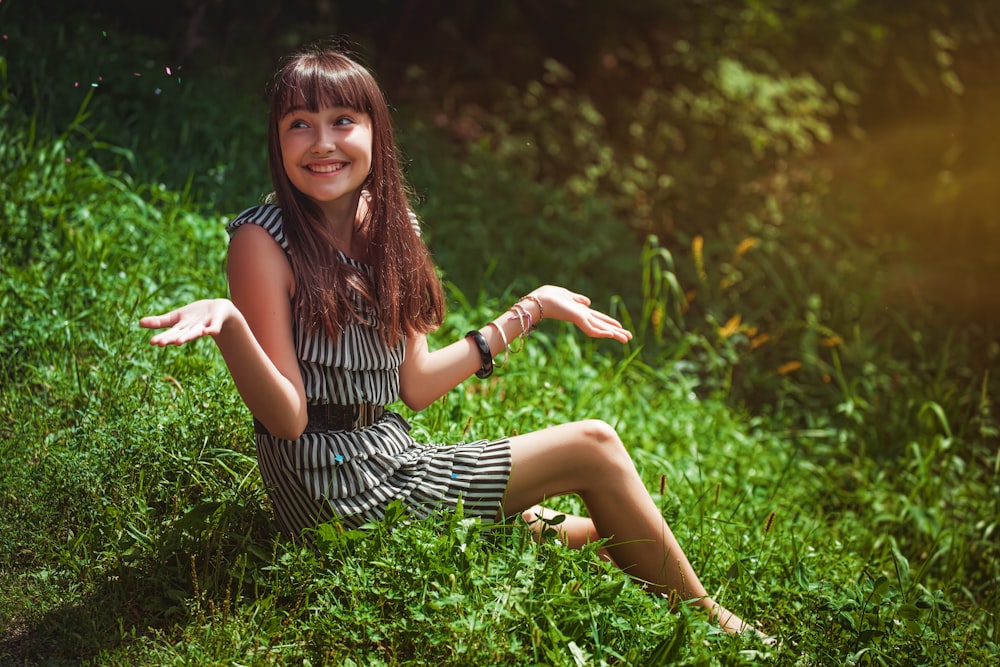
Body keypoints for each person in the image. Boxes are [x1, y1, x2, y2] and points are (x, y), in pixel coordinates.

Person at [140, 41, 762, 637]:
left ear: (374, 133)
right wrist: (230, 325)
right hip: (330, 483)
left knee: (574, 526)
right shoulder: (262, 240)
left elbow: (413, 386)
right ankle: (717, 623)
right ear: (278, 141)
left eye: (342, 121)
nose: (322, 143)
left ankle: (635, 549)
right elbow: (287, 418)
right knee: (595, 446)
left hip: (390, 455)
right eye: (299, 123)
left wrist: (532, 309)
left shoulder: (393, 225)